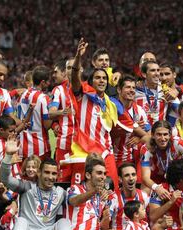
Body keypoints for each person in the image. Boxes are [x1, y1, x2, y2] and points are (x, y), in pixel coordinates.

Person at [69, 38, 134, 191]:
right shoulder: (82, 96)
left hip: (106, 151)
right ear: (91, 82)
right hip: (84, 152)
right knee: (81, 191)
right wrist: (78, 56)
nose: (102, 80)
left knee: (111, 190)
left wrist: (142, 135)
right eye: (98, 77)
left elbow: (128, 122)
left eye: (104, 78)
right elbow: (74, 78)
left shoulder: (111, 104)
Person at [0, 135, 72, 230]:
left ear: (58, 175)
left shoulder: (61, 193)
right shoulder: (26, 187)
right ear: (39, 172)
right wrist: (8, 156)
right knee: (21, 221)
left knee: (64, 222)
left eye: (54, 174)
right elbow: (5, 179)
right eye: (47, 173)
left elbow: (77, 200)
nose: (50, 177)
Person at [67, 153, 128, 230]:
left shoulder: (103, 196)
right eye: (99, 173)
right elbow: (74, 201)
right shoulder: (75, 188)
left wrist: (106, 214)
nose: (103, 177)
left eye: (105, 174)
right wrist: (93, 192)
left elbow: (104, 227)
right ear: (88, 175)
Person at [140, 120, 183, 199]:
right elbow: (145, 178)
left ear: (170, 135)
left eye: (165, 134)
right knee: (144, 194)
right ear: (152, 135)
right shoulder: (146, 149)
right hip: (155, 179)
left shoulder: (178, 143)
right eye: (159, 134)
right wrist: (157, 188)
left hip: (177, 178)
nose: (162, 138)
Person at [110, 75, 150, 181]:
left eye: (133, 88)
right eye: (128, 87)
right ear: (119, 89)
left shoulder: (139, 110)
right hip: (111, 158)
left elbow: (150, 134)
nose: (132, 90)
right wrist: (138, 131)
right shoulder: (113, 108)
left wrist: (139, 138)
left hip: (130, 161)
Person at [49, 58, 77, 182]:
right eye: (69, 68)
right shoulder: (58, 90)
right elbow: (51, 112)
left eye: (75, 68)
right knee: (62, 178)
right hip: (65, 142)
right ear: (66, 71)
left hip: (82, 142)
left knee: (79, 177)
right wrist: (62, 112)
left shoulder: (87, 89)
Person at [17, 66, 53, 160]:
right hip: (38, 147)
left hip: (21, 145)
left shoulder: (22, 94)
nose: (49, 84)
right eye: (48, 81)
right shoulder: (43, 98)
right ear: (42, 82)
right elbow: (47, 125)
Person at [135, 61, 180, 126]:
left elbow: (180, 111)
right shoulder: (135, 91)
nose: (157, 74)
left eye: (158, 70)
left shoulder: (166, 90)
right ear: (144, 74)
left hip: (160, 133)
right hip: (140, 132)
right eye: (153, 70)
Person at [110, 162, 150, 230]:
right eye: (127, 175)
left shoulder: (144, 196)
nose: (131, 178)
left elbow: (152, 218)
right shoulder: (113, 198)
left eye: (133, 174)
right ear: (120, 179)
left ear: (137, 177)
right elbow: (106, 222)